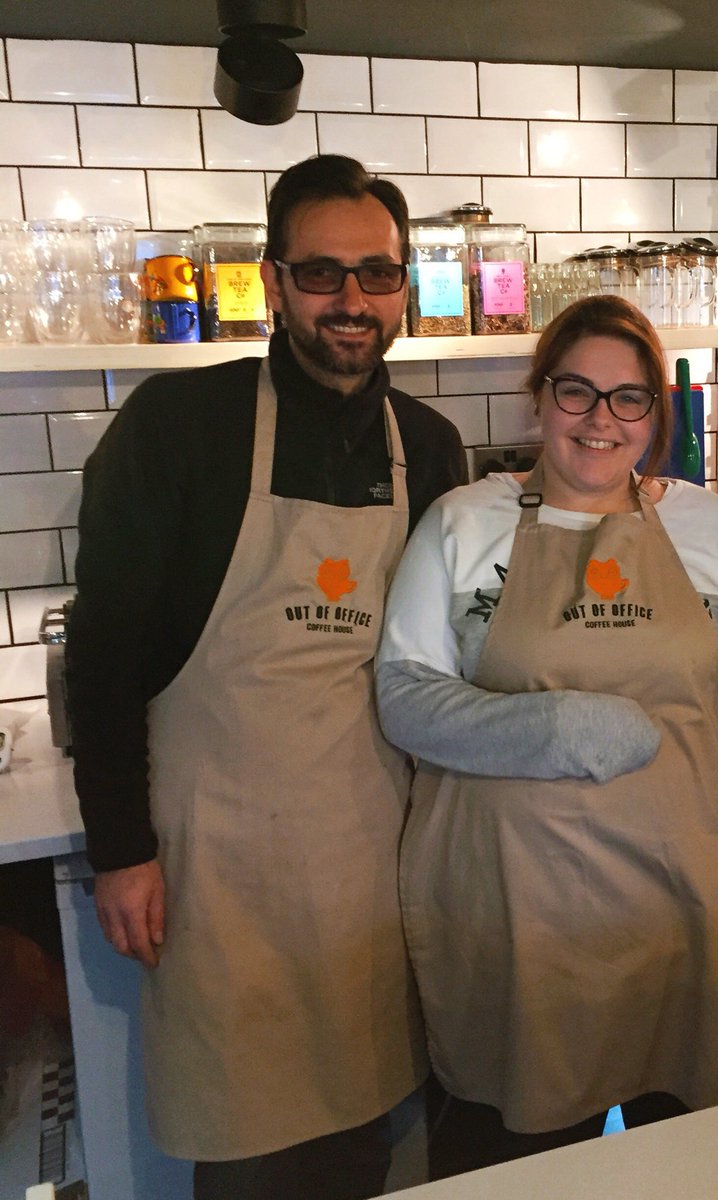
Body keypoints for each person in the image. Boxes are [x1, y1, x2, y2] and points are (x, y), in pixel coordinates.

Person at [65, 154, 467, 1199]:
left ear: (403, 285)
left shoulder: (429, 446)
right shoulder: (176, 427)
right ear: (277, 282)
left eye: (377, 276)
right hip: (219, 868)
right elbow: (105, 655)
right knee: (250, 1158)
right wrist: (121, 850)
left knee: (376, 1141)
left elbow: (441, 660)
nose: (352, 302)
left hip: (373, 856)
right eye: (323, 274)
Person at [375, 295, 718, 1176]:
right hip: (523, 920)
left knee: (695, 1169)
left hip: (692, 907)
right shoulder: (463, 523)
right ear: (539, 399)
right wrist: (552, 727)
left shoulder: (707, 527)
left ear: (655, 415)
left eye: (629, 398)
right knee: (512, 1168)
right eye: (577, 393)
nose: (601, 421)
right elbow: (405, 699)